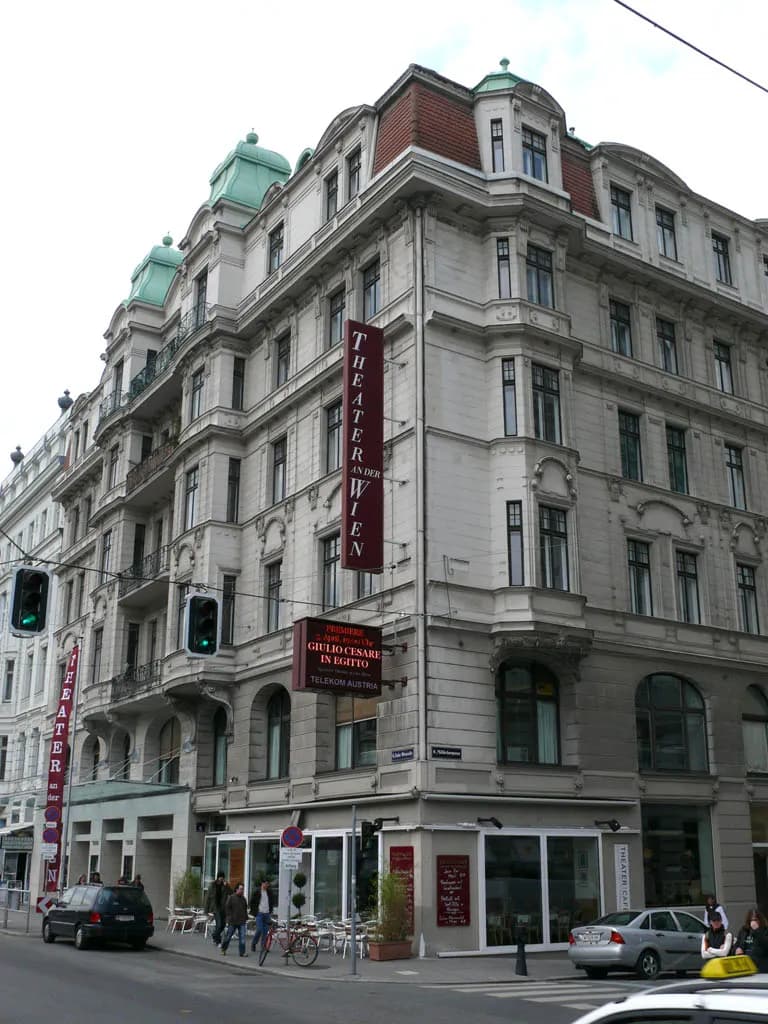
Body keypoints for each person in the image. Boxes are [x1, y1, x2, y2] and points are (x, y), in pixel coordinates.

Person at [220, 882, 249, 957]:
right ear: (236, 889)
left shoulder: (243, 899)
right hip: (233, 921)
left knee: (242, 937)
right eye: (240, 889)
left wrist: (246, 917)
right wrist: (229, 917)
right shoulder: (231, 898)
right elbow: (227, 908)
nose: (242, 890)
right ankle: (223, 949)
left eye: (242, 889)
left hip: (242, 921)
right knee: (228, 936)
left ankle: (242, 952)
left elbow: (245, 909)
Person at [205, 871, 231, 946]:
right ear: (218, 877)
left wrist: (227, 886)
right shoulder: (212, 885)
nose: (221, 879)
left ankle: (214, 935)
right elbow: (208, 898)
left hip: (224, 908)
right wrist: (206, 910)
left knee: (223, 925)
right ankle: (218, 941)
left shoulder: (225, 885)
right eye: (220, 877)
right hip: (216, 908)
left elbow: (231, 893)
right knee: (219, 925)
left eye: (222, 877)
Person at [250, 880, 274, 953]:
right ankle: (253, 943)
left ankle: (263, 946)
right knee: (259, 929)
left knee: (265, 931)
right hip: (259, 913)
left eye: (268, 884)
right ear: (262, 883)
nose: (267, 885)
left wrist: (270, 911)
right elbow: (252, 902)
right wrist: (255, 912)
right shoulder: (257, 892)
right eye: (265, 884)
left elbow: (271, 902)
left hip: (267, 914)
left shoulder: (269, 892)